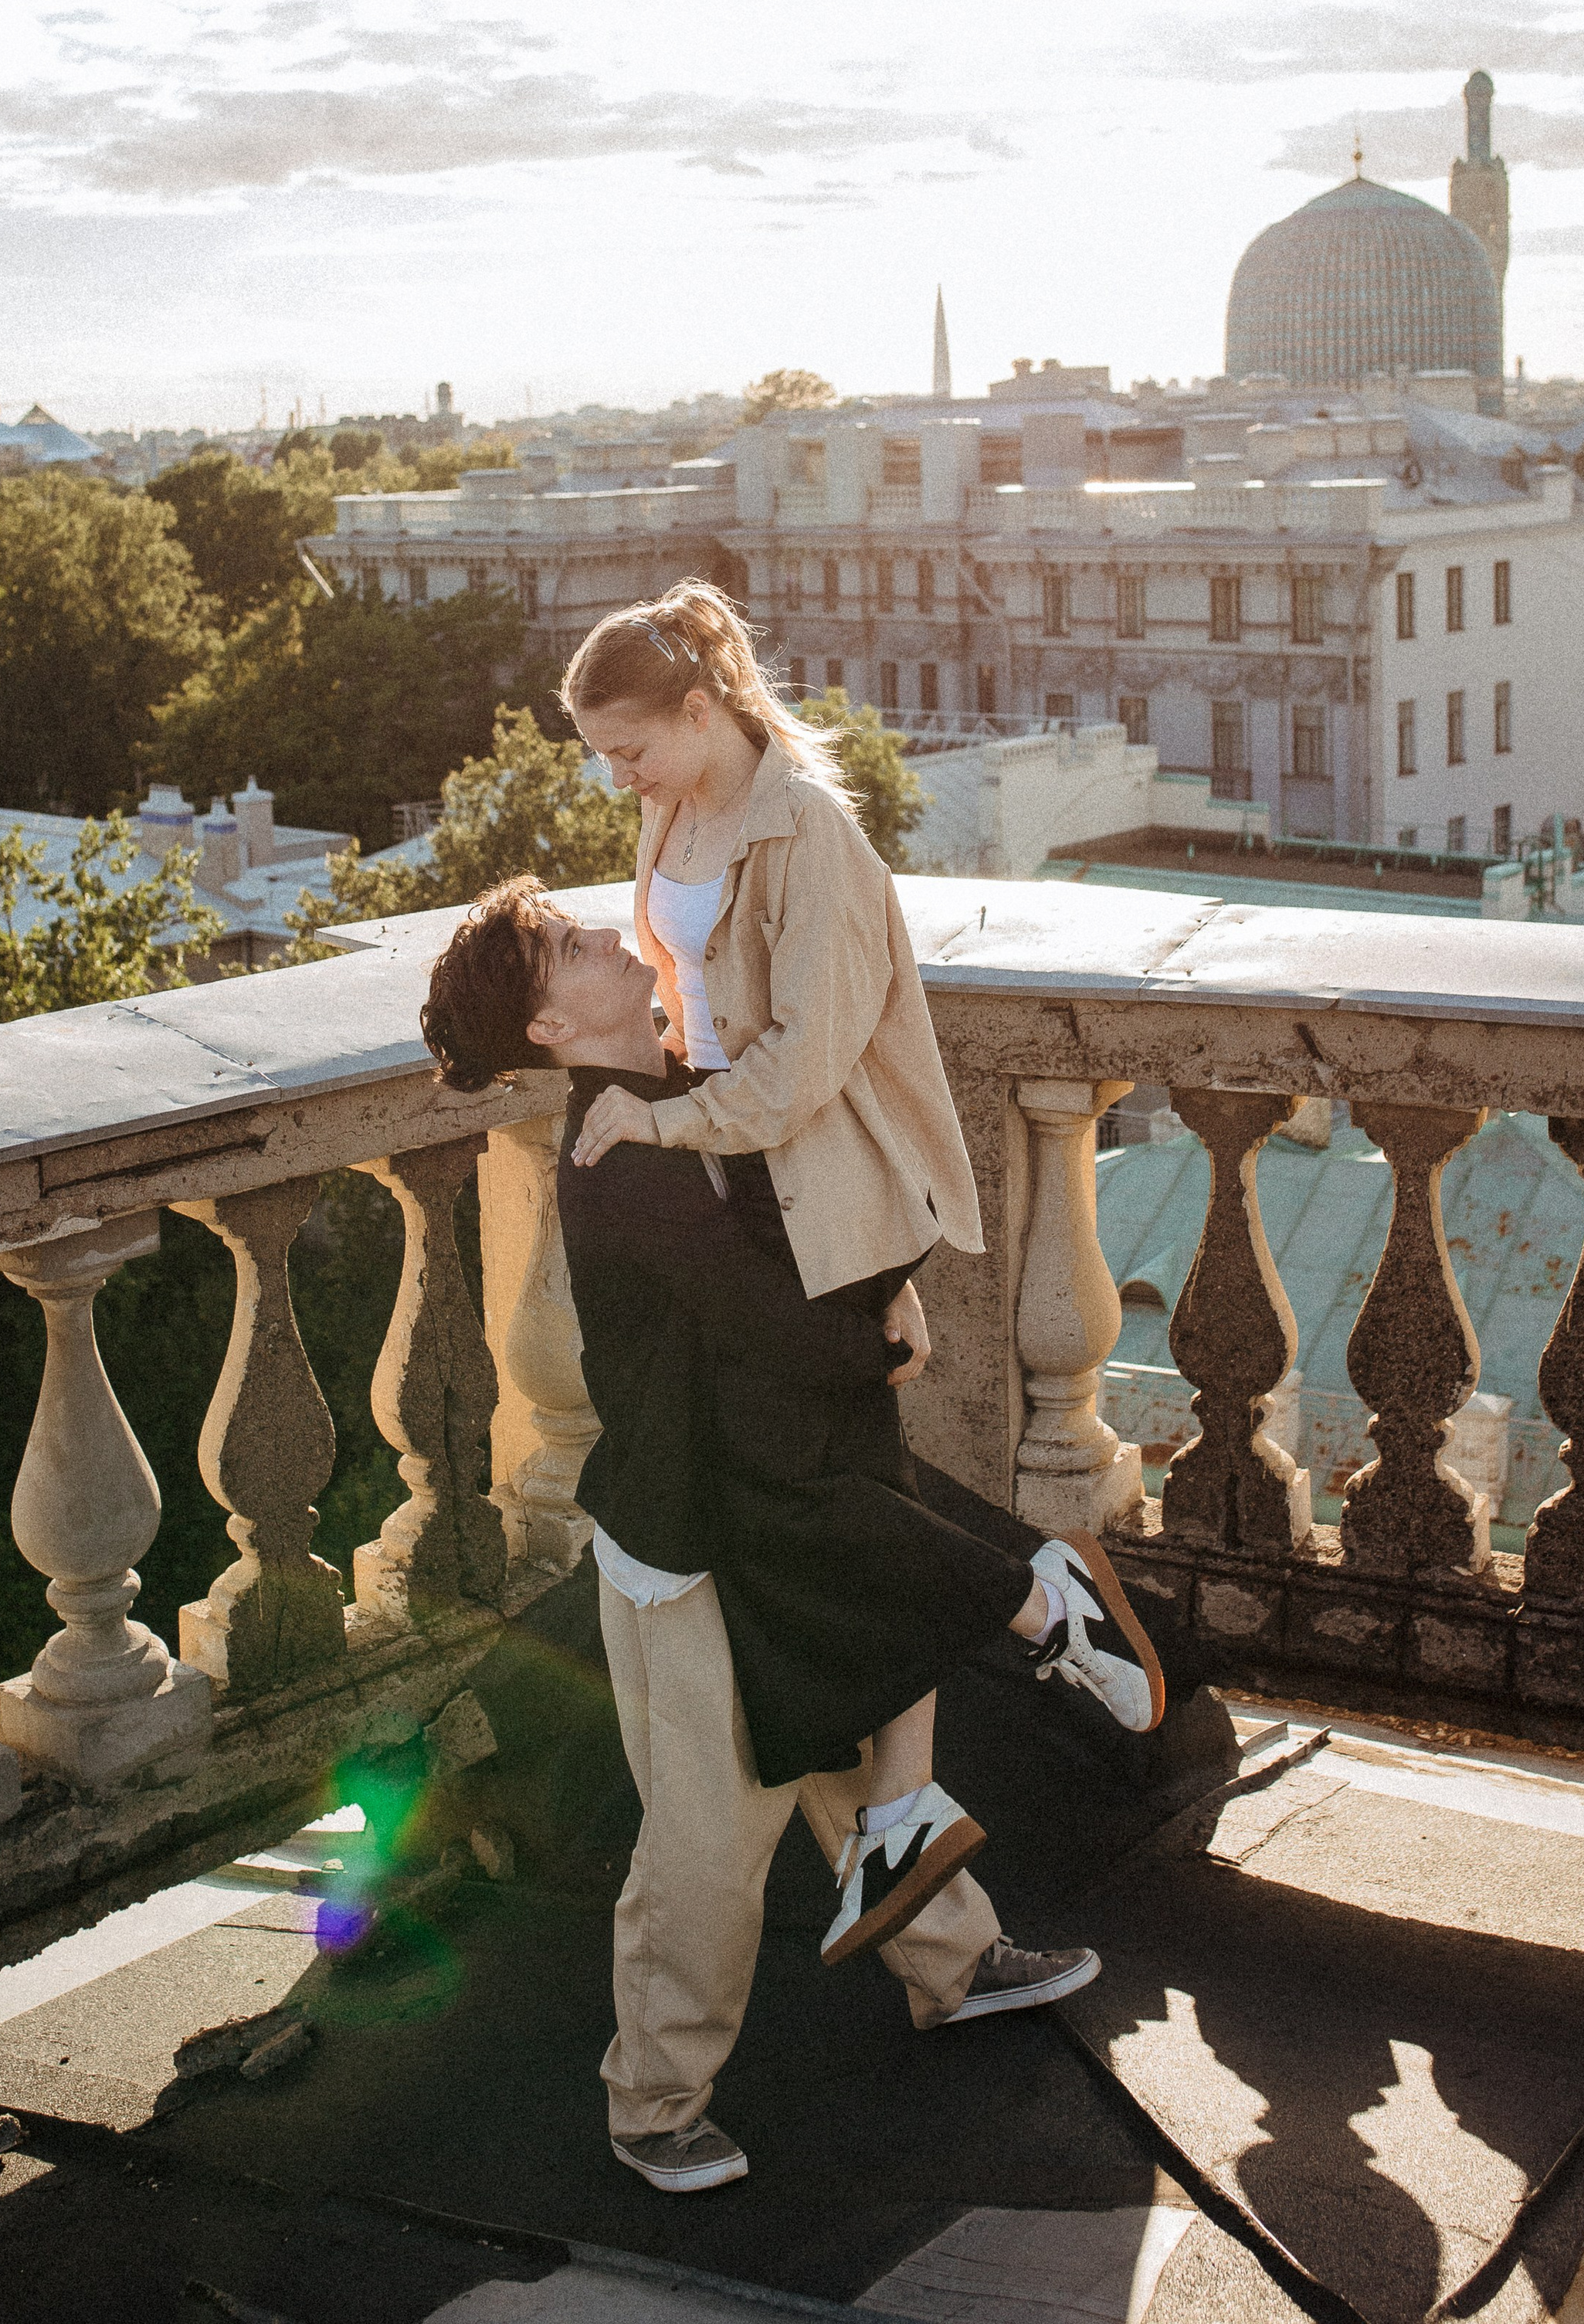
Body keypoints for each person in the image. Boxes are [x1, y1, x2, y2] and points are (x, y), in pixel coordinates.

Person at [420, 875, 1168, 2200]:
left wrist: (889, 1289)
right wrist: (875, 1328)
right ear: (548, 1024)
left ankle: (952, 1963)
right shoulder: (614, 1152)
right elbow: (758, 1323)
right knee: (710, 1847)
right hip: (697, 1545)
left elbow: (815, 1212)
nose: (608, 934)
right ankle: (651, 2102)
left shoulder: (690, 1082)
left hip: (771, 1499)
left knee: (851, 1738)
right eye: (574, 945)